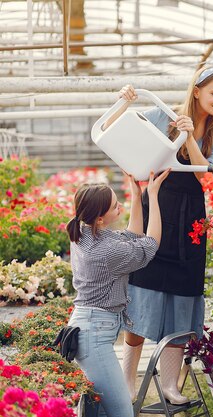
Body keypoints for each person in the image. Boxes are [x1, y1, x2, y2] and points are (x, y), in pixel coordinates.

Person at [108, 66, 213, 404]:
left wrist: (190, 135)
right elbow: (113, 130)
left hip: (192, 220)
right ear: (197, 91)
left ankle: (170, 384)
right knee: (142, 289)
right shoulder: (161, 114)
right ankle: (127, 380)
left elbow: (206, 179)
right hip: (157, 211)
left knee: (183, 294)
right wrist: (123, 101)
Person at [66, 170, 169, 417]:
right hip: (94, 336)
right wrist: (153, 197)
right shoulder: (107, 251)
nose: (119, 207)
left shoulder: (84, 233)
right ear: (100, 218)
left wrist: (137, 195)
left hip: (89, 328)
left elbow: (133, 236)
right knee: (123, 412)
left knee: (100, 411)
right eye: (115, 206)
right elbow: (151, 244)